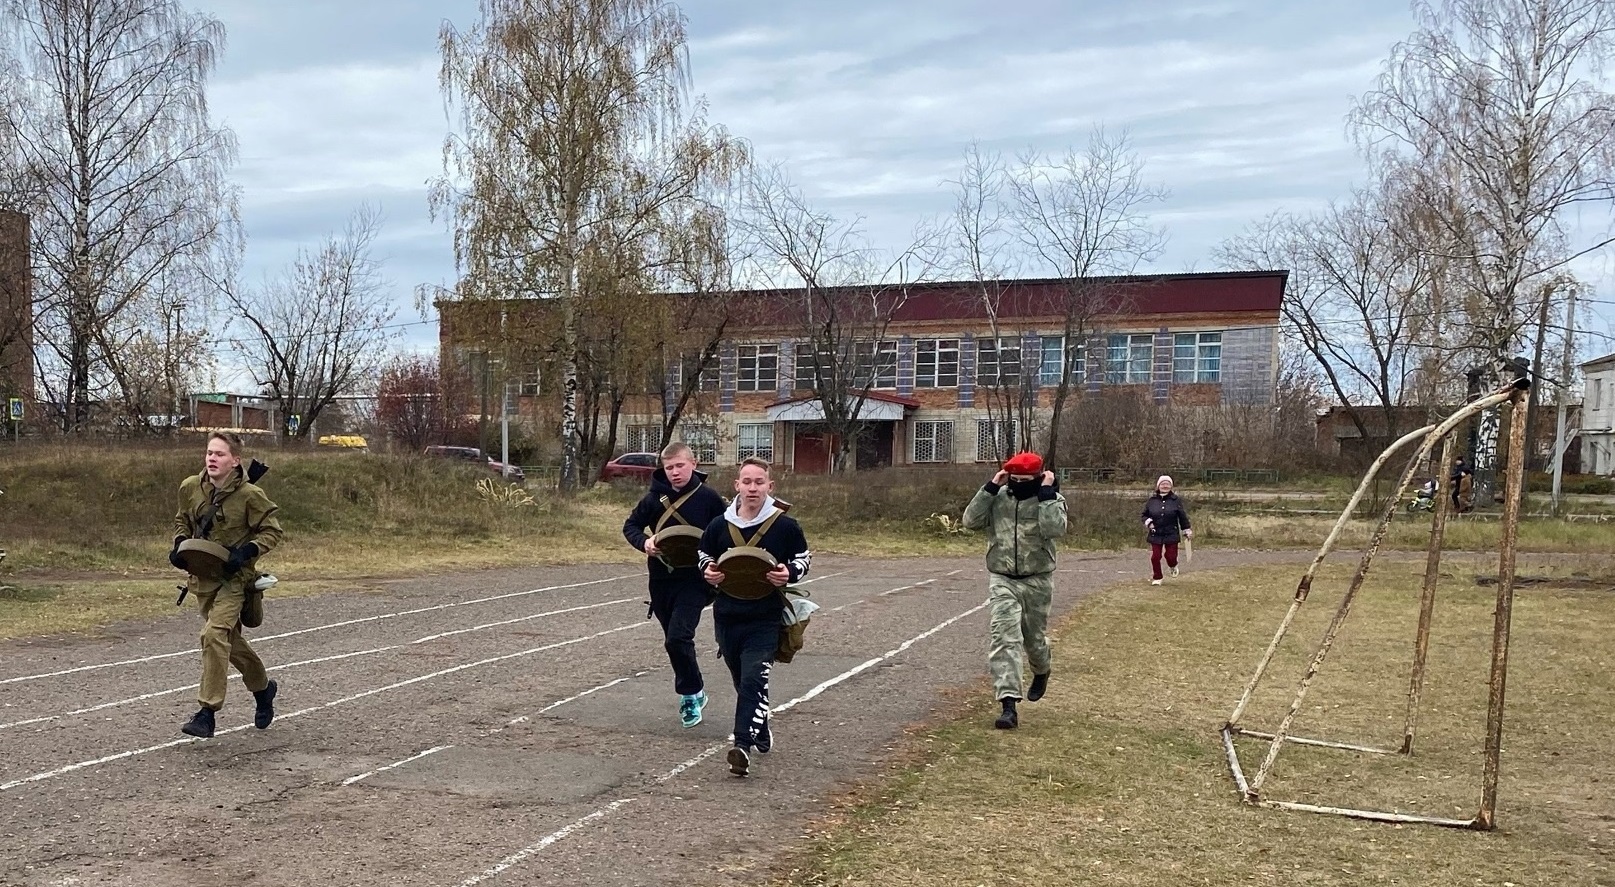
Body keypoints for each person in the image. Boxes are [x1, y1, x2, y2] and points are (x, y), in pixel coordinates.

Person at [698, 457, 811, 777]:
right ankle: (759, 724)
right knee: (741, 678)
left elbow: (803, 559)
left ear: (769, 486)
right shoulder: (719, 525)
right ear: (736, 486)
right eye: (746, 482)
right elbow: (704, 556)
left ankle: (742, 745)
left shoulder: (786, 526)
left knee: (753, 678)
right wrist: (708, 573)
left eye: (758, 482)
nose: (752, 487)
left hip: (766, 616)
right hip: (728, 614)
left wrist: (789, 572)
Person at [169, 432, 284, 739]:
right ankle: (263, 689)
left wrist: (248, 551)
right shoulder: (190, 488)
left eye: (219, 454)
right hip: (203, 579)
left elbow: (272, 531)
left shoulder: (250, 495)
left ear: (235, 461)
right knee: (228, 643)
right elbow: (182, 519)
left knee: (213, 634)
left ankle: (207, 713)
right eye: (209, 452)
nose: (211, 458)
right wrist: (180, 544)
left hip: (235, 580)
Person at [621, 441, 728, 728]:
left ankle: (690, 694)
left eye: (680, 465)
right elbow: (630, 526)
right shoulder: (652, 499)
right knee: (674, 642)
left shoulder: (709, 499)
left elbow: (726, 534)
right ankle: (697, 689)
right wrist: (645, 542)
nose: (675, 472)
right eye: (669, 468)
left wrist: (717, 565)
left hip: (695, 579)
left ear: (693, 464)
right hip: (661, 579)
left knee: (678, 637)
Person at [961, 451, 1067, 730]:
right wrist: (990, 487)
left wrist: (1045, 494)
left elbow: (1055, 528)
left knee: (1033, 639)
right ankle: (1008, 704)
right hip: (1003, 577)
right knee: (1004, 637)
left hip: (1037, 579)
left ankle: (1042, 669)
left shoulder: (1050, 499)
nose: (1019, 484)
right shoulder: (998, 497)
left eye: (1026, 480)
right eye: (1014, 479)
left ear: (1039, 477)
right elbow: (970, 521)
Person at [1142, 475, 1192, 585]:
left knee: (1171, 556)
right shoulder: (1152, 500)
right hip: (1156, 533)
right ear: (1158, 486)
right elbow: (1144, 515)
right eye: (1163, 484)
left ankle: (1173, 565)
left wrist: (1186, 529)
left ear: (1171, 486)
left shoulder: (1175, 500)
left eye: (1167, 484)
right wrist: (1149, 522)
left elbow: (1182, 516)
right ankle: (1157, 577)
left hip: (1171, 532)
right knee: (1155, 557)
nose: (1165, 486)